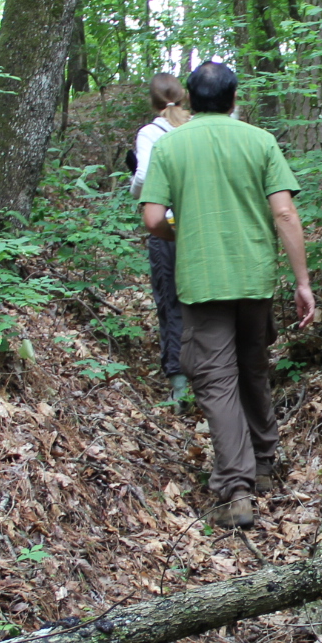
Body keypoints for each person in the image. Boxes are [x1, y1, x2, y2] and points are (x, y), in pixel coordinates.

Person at [139, 61, 317, 529]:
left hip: (201, 279)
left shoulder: (170, 145)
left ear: (190, 99)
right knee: (252, 365)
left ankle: (237, 487)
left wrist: (184, 233)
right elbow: (285, 214)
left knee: (216, 379)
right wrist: (302, 282)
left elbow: (153, 219)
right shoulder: (260, 141)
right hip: (253, 275)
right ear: (235, 99)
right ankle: (263, 463)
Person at [130, 74, 193, 407]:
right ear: (183, 97)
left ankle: (180, 388)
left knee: (171, 302)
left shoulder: (150, 133)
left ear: (152, 102)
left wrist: (136, 189)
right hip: (201, 225)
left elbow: (143, 175)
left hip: (167, 225)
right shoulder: (195, 128)